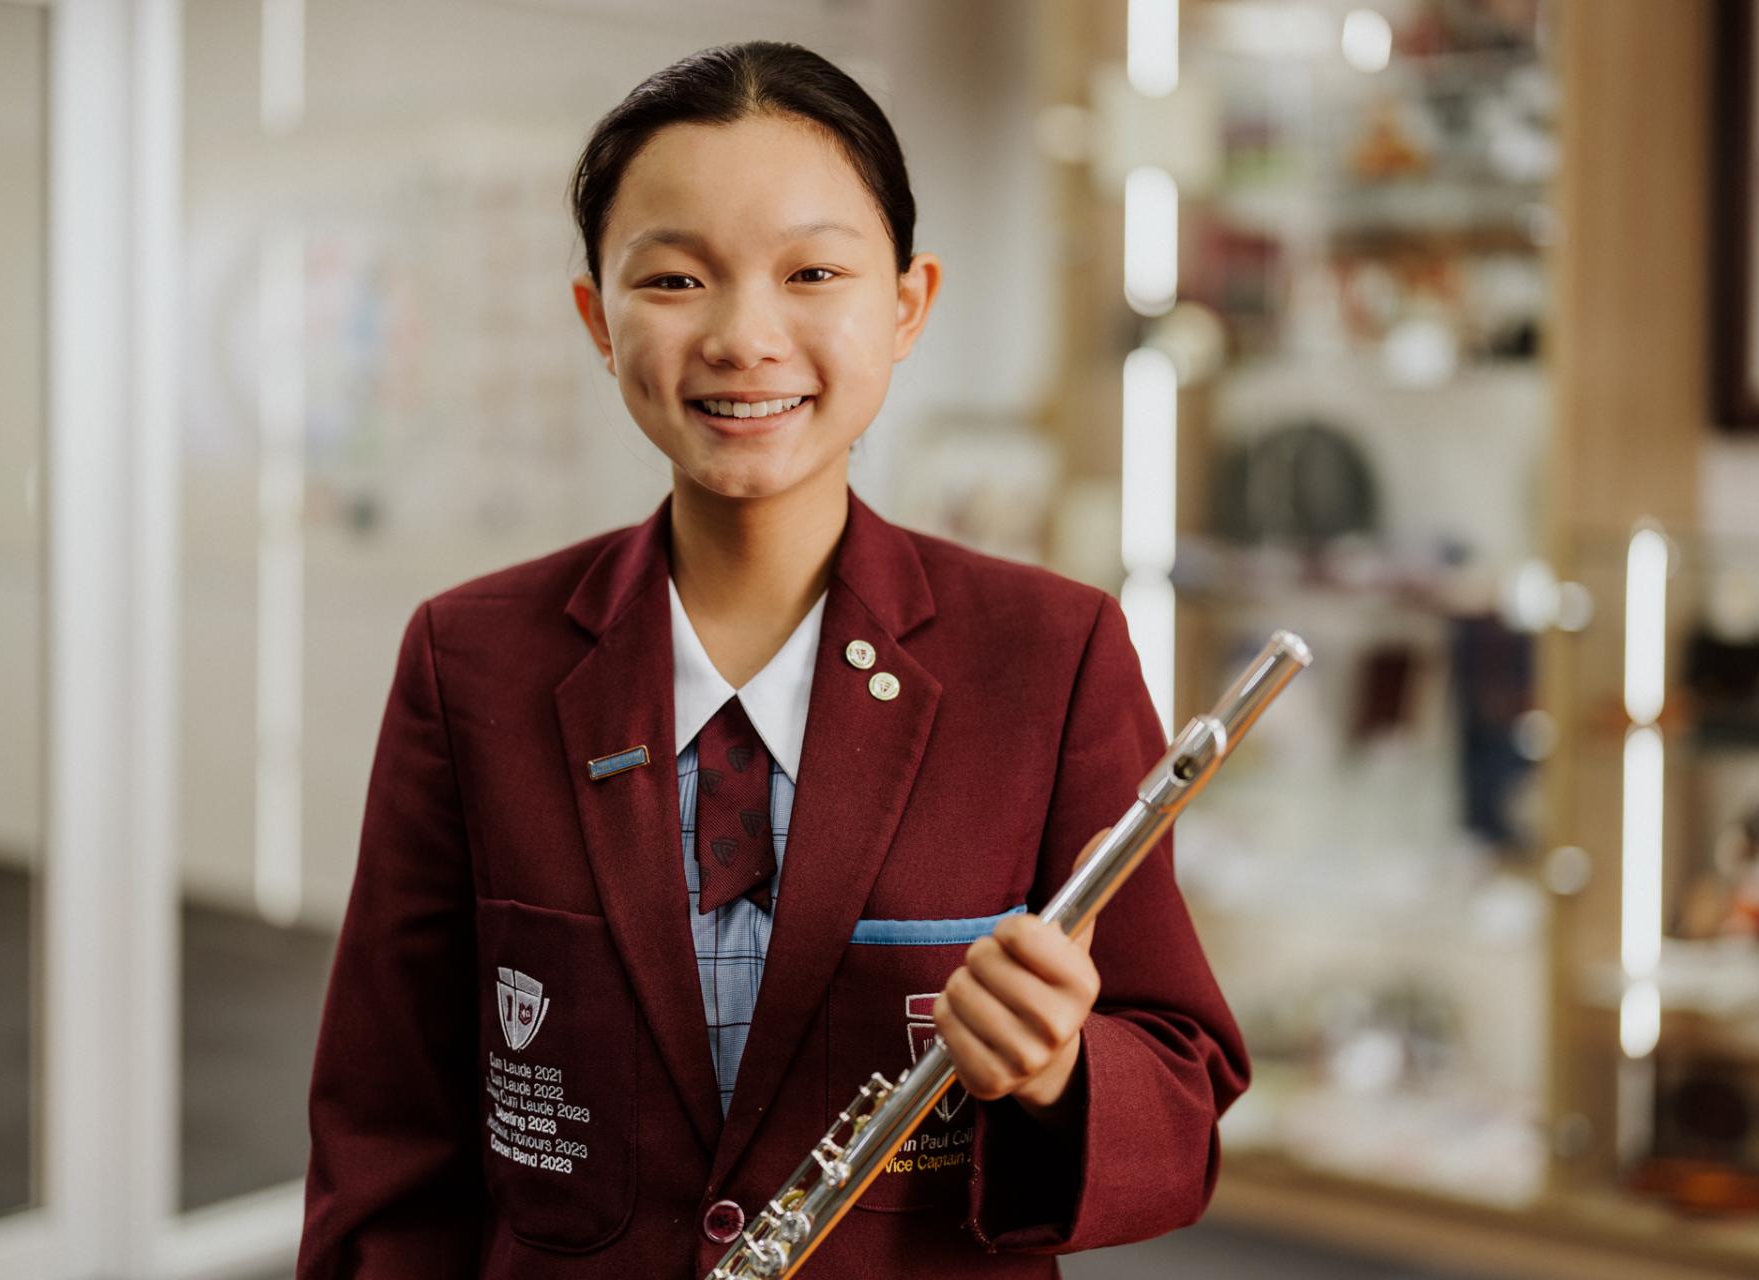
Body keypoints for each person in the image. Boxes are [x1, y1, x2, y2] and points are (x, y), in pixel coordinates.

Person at [297, 39, 1249, 1279]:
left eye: (813, 272)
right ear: (597, 316)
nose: (748, 336)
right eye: (678, 278)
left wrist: (1063, 1068)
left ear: (907, 305)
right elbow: (387, 1129)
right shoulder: (471, 659)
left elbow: (1180, 1084)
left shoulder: (1049, 654)